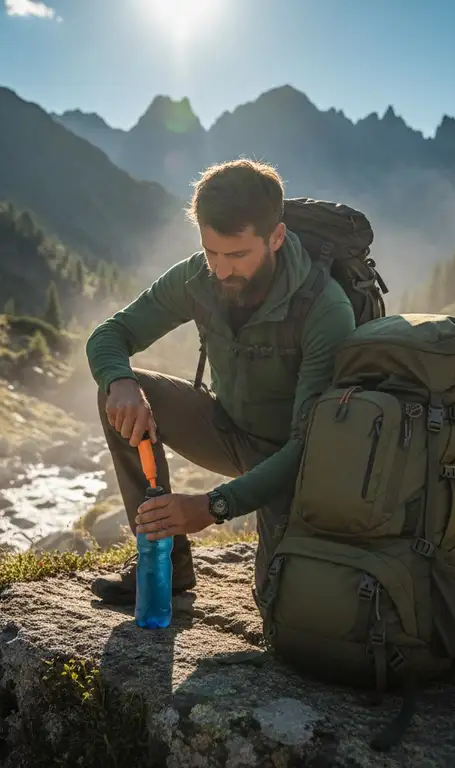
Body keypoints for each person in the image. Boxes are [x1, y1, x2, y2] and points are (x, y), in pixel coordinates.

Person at [85, 158, 356, 606]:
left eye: (237, 255)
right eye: (212, 253)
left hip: (299, 464)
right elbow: (111, 334)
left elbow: (309, 445)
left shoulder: (325, 309)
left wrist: (211, 507)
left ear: (276, 237)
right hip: (230, 430)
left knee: (281, 607)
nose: (223, 269)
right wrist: (120, 382)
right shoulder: (199, 276)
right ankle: (164, 560)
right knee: (118, 392)